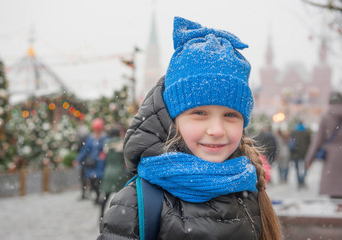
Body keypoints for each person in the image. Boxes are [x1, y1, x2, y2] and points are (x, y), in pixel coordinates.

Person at [97, 17, 281, 240]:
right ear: (174, 119)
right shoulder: (137, 203)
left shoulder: (248, 190)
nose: (216, 130)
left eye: (230, 115)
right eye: (199, 113)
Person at [305, 92, 342, 198]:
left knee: (335, 191)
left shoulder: (326, 116)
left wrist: (309, 159)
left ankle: (337, 211)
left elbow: (317, 139)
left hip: (332, 156)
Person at [99, 125, 129, 218]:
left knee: (105, 196)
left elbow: (102, 158)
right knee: (122, 196)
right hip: (120, 172)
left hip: (108, 171)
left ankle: (101, 216)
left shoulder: (106, 144)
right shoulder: (122, 143)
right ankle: (121, 216)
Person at [77, 118, 108, 203]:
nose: (97, 131)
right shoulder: (91, 138)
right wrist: (78, 159)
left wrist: (104, 153)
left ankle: (98, 196)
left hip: (101, 164)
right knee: (91, 179)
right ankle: (97, 195)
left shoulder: (105, 138)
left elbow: (107, 148)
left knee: (98, 181)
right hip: (91, 163)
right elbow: (85, 150)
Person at [289, 121, 311, 188]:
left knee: (297, 168)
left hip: (296, 152)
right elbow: (309, 143)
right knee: (305, 168)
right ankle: (302, 179)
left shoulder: (294, 132)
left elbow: (291, 143)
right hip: (305, 153)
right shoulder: (307, 132)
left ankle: (299, 181)